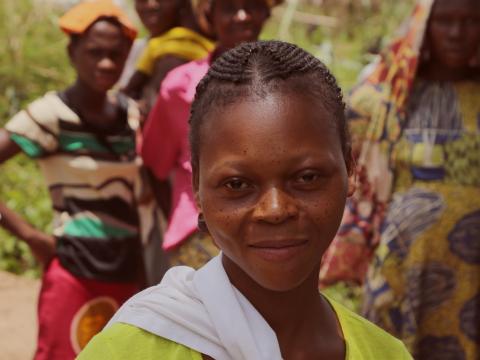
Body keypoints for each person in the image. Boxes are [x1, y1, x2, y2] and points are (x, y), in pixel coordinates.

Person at [77, 40, 412, 360]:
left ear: (350, 170)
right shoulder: (129, 351)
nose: (275, 210)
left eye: (307, 178)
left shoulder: (385, 354)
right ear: (198, 189)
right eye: (237, 184)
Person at [321, 0, 480, 358]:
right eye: (446, 22)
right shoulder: (386, 99)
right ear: (423, 26)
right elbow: (342, 177)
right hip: (405, 271)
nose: (457, 33)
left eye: (470, 21)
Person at [0, 1, 147, 358]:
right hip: (73, 271)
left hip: (128, 270)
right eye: (95, 52)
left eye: (116, 53)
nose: (106, 63)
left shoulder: (130, 115)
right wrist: (29, 235)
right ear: (72, 52)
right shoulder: (51, 114)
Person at [140, 0, 277, 269]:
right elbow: (154, 163)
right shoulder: (179, 87)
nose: (241, 16)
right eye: (228, 8)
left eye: (252, 6)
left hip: (271, 229)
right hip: (199, 236)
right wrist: (188, 214)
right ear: (209, 14)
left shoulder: (289, 84)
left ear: (266, 12)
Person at [122, 0, 215, 112]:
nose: (151, 5)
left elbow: (135, 91)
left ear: (183, 4)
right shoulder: (141, 47)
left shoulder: (173, 49)